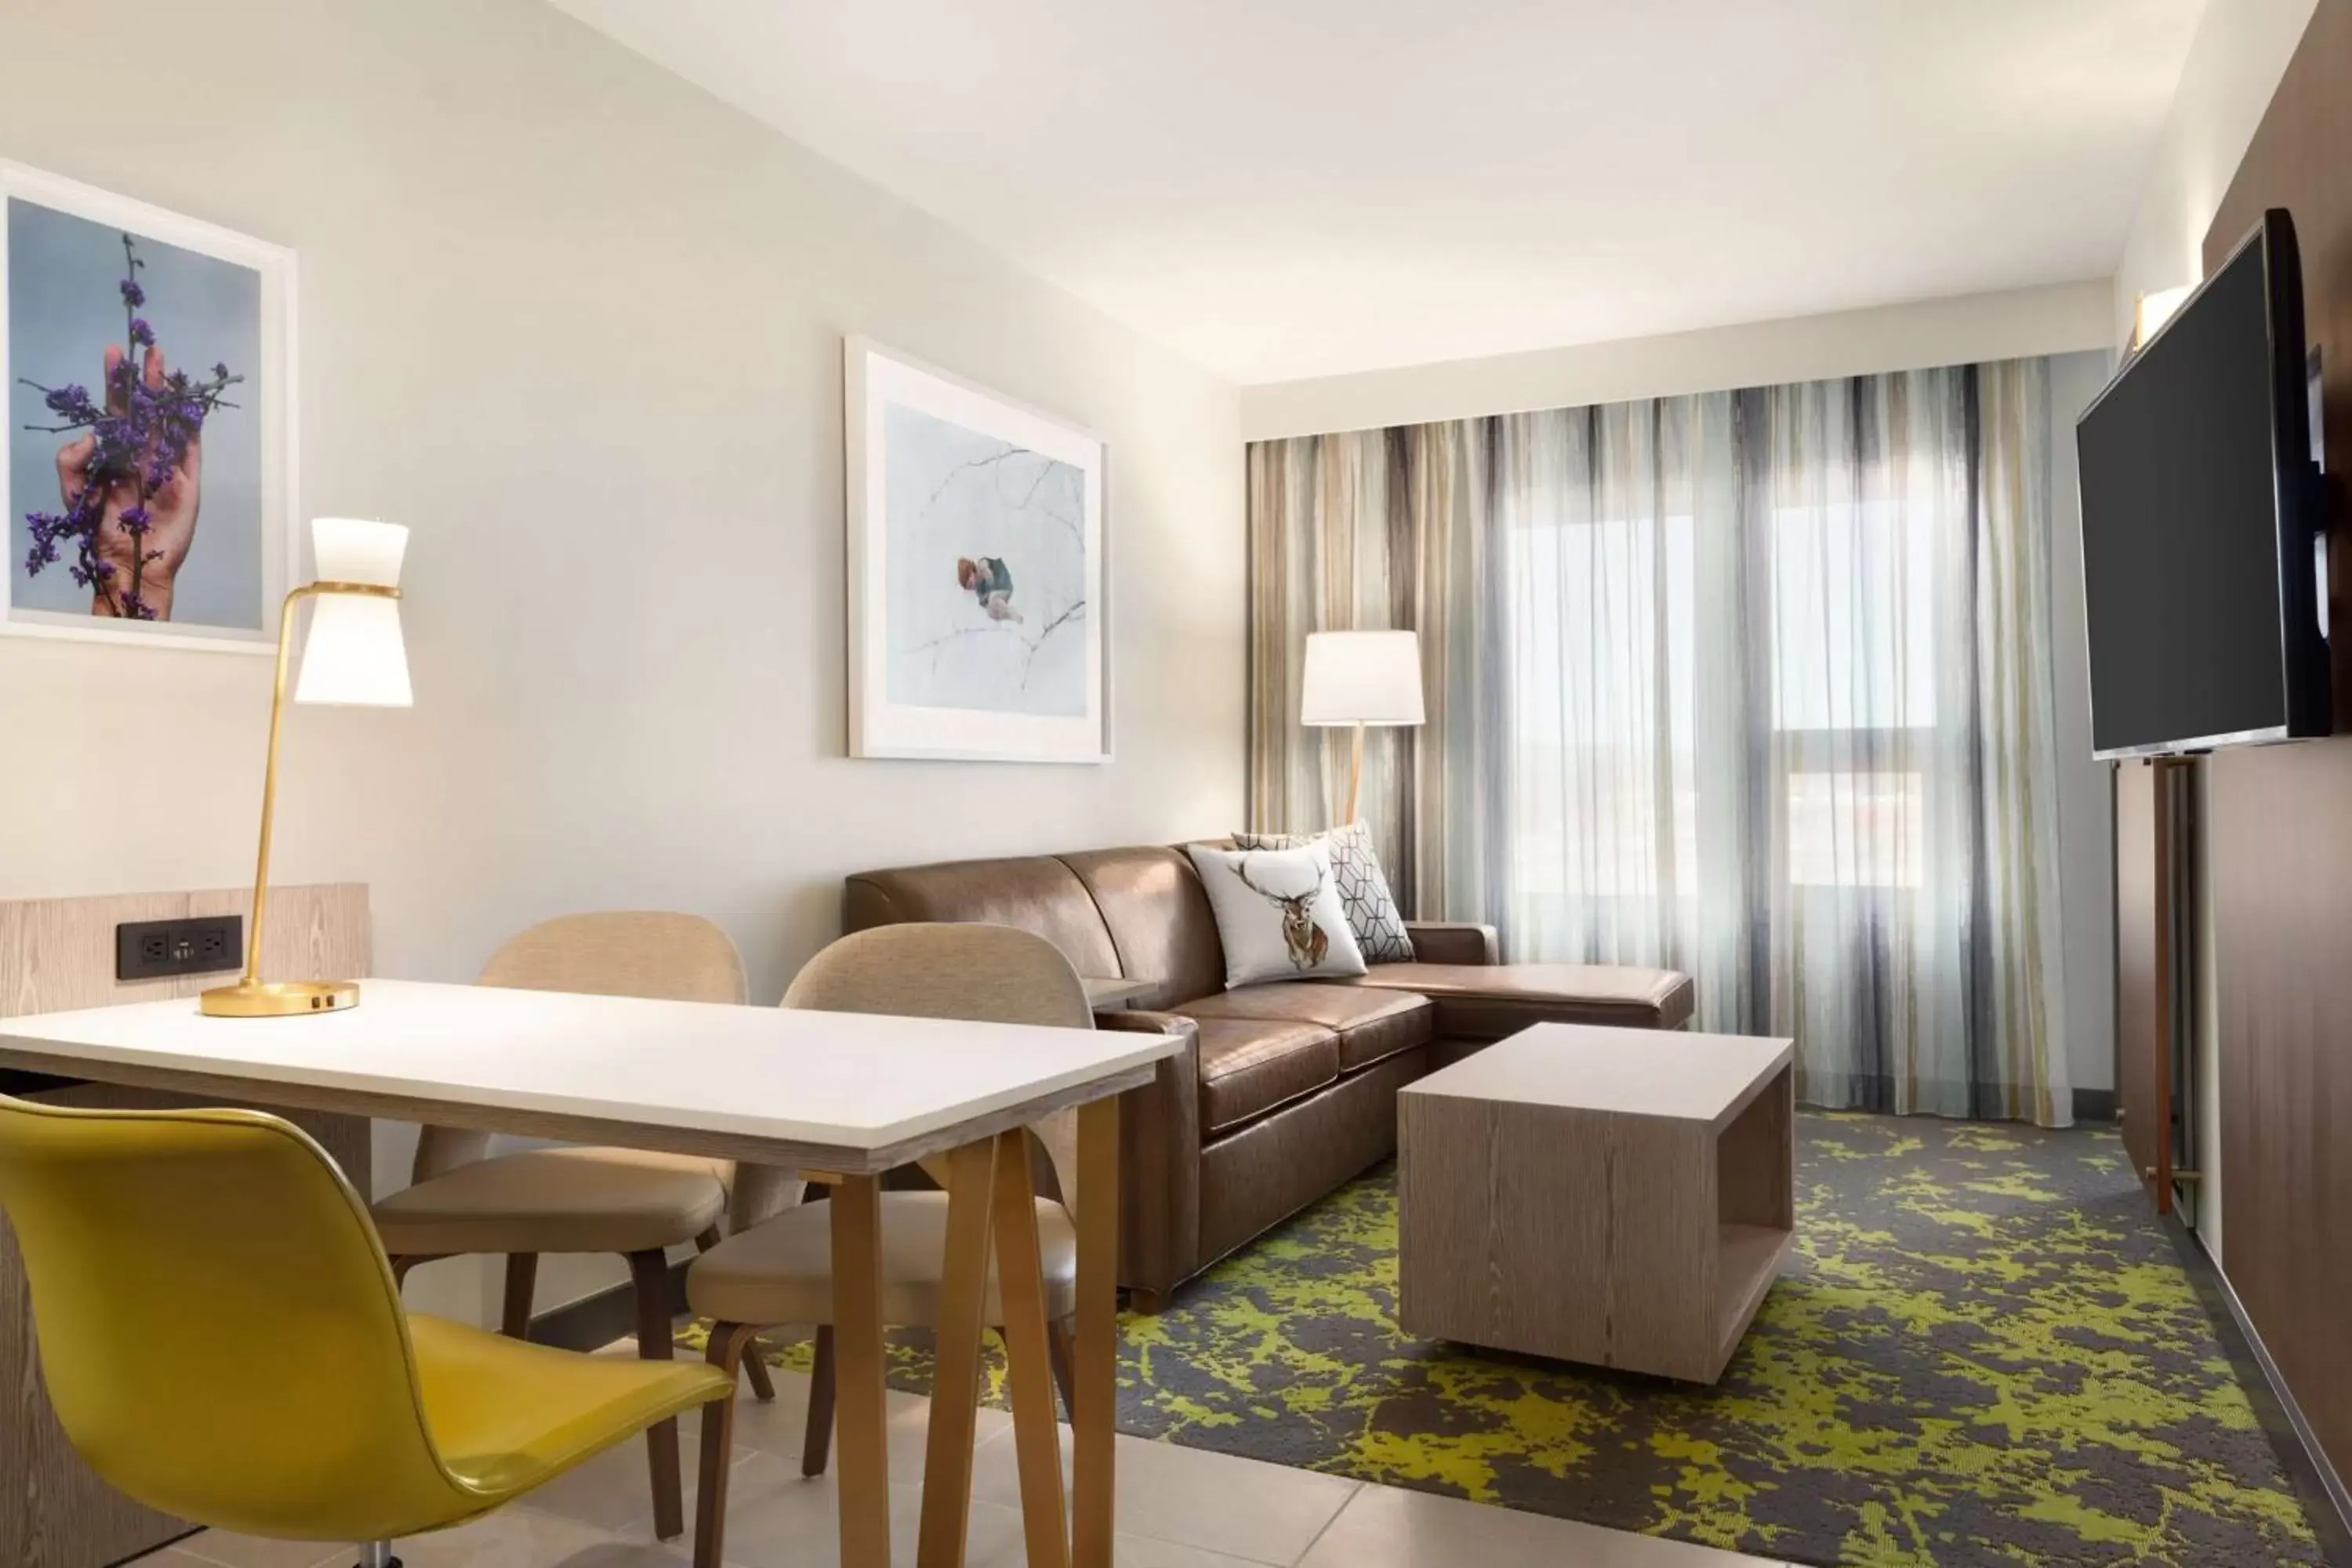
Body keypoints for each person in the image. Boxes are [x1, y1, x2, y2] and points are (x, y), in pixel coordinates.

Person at [955, 555, 1022, 622]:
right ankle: (1012, 617)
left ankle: (1013, 614)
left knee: (993, 599)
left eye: (971, 584)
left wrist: (987, 596)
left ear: (971, 572)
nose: (973, 588)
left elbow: (991, 580)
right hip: (997, 594)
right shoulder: (978, 586)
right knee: (991, 612)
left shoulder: (981, 566)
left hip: (1003, 584)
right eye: (970, 588)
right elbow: (982, 600)